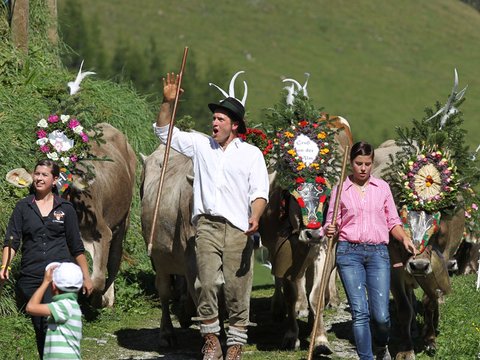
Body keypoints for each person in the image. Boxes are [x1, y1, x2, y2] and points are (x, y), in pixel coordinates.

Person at [153, 72, 269, 360]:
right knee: (204, 283)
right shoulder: (201, 145)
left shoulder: (252, 154)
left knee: (236, 287)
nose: (214, 123)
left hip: (239, 228)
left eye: (220, 119)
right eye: (214, 118)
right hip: (205, 225)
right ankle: (210, 340)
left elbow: (260, 191)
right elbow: (164, 133)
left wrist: (255, 216)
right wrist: (167, 102)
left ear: (235, 125)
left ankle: (235, 343)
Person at [324, 141, 416, 360]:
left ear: (372, 163)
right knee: (359, 312)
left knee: (382, 316)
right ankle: (366, 357)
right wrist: (329, 228)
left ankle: (380, 343)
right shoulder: (340, 190)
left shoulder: (382, 188)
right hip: (349, 253)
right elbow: (331, 223)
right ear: (350, 163)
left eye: (367, 164)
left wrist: (404, 238)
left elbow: (393, 221)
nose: (363, 168)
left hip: (378, 253)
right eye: (358, 163)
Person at [0, 159, 93, 359]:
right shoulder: (23, 207)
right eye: (37, 174)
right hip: (32, 276)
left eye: (44, 175)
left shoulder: (65, 208)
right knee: (40, 327)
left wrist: (86, 276)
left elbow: (76, 246)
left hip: (58, 278)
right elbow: (12, 240)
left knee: (50, 326)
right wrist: (4, 266)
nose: (39, 178)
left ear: (55, 180)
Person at [26, 262, 84, 360]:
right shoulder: (70, 305)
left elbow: (30, 307)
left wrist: (45, 282)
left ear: (53, 286)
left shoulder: (64, 306)